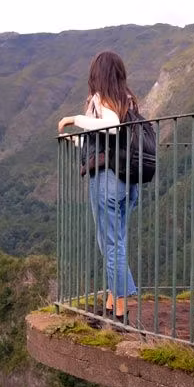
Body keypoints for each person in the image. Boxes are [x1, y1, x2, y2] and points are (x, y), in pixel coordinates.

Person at [57, 51, 139, 323]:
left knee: (110, 245)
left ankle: (119, 314)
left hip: (107, 181)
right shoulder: (126, 99)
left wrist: (74, 119)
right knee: (116, 242)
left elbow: (111, 128)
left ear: (97, 74)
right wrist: (76, 141)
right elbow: (103, 144)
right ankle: (111, 304)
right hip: (127, 180)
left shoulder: (101, 99)